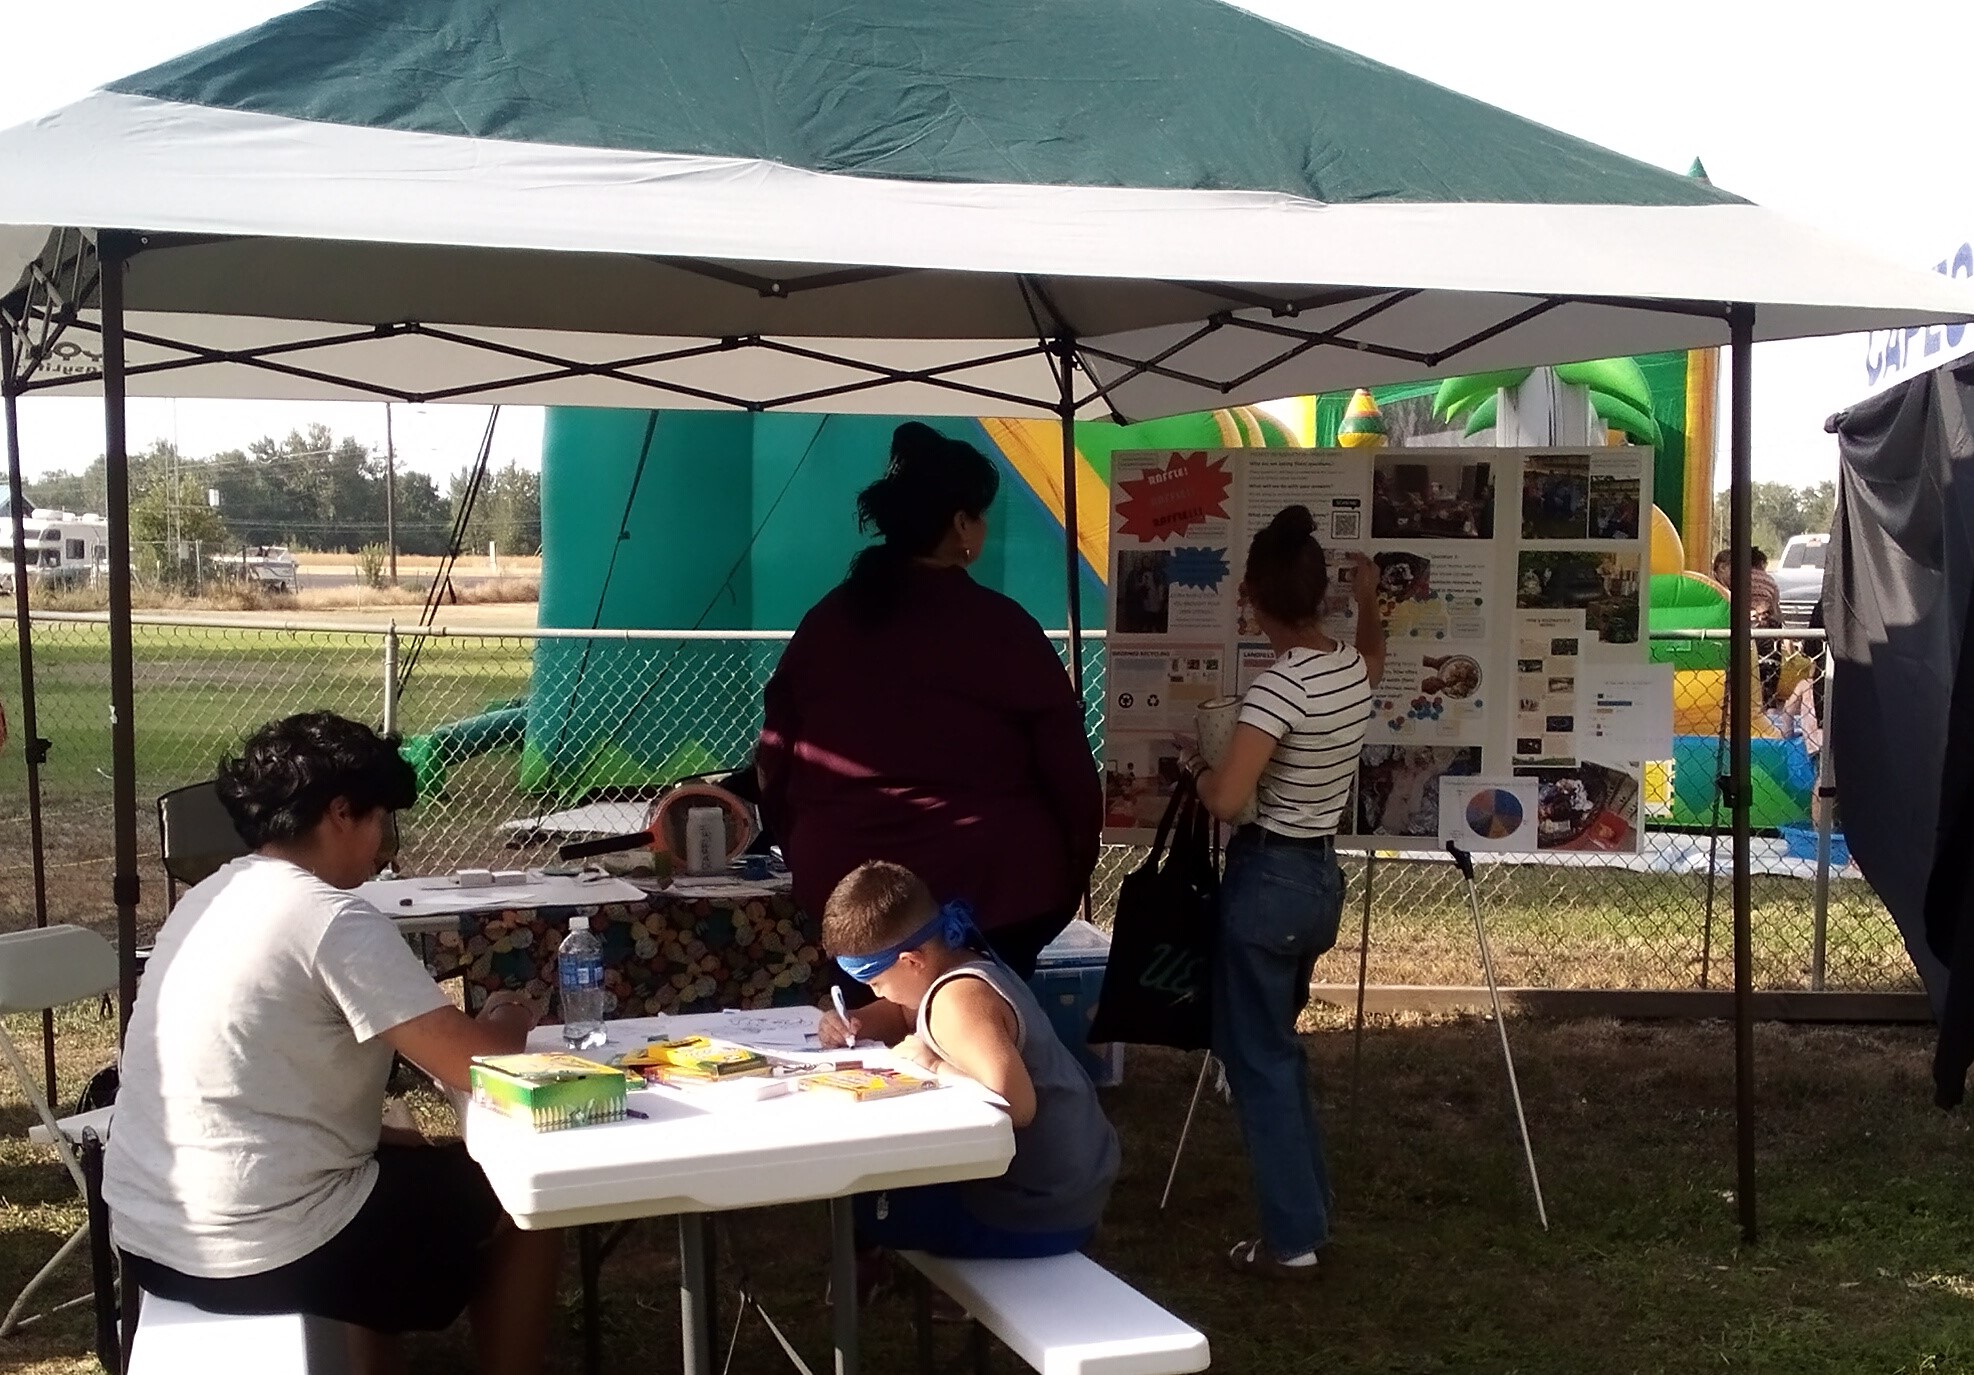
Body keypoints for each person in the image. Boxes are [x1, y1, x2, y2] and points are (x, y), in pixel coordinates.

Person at [106, 713, 562, 1375]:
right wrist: (511, 1014)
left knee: (405, 1166)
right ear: (341, 812)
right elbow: (479, 1065)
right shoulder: (330, 917)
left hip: (150, 1237)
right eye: (382, 820)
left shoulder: (206, 895)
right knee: (530, 1198)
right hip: (259, 1246)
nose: (384, 846)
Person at [758, 422, 1103, 1039]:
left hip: (853, 893)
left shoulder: (828, 623)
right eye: (982, 517)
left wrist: (810, 845)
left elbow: (776, 757)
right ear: (962, 525)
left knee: (864, 1045)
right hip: (995, 889)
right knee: (980, 1047)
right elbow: (1069, 770)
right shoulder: (1002, 627)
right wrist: (1075, 862)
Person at [1184, 506, 1383, 1280]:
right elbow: (1373, 650)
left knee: (1259, 1058)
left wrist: (1193, 771)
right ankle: (1310, 1211)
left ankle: (1292, 1238)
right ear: (1320, 596)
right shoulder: (1344, 668)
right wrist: (1369, 597)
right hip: (1317, 878)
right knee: (1280, 1053)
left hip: (1267, 878)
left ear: (1250, 596)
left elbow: (1229, 800)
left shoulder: (1278, 688)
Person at [817, 861, 1119, 1265]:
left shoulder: (958, 1004)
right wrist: (852, 1023)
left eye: (875, 982)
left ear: (911, 961)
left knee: (864, 1198)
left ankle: (872, 1285)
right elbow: (905, 1012)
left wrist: (932, 1066)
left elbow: (1017, 1104)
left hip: (1039, 1211)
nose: (874, 991)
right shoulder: (958, 965)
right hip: (1074, 1184)